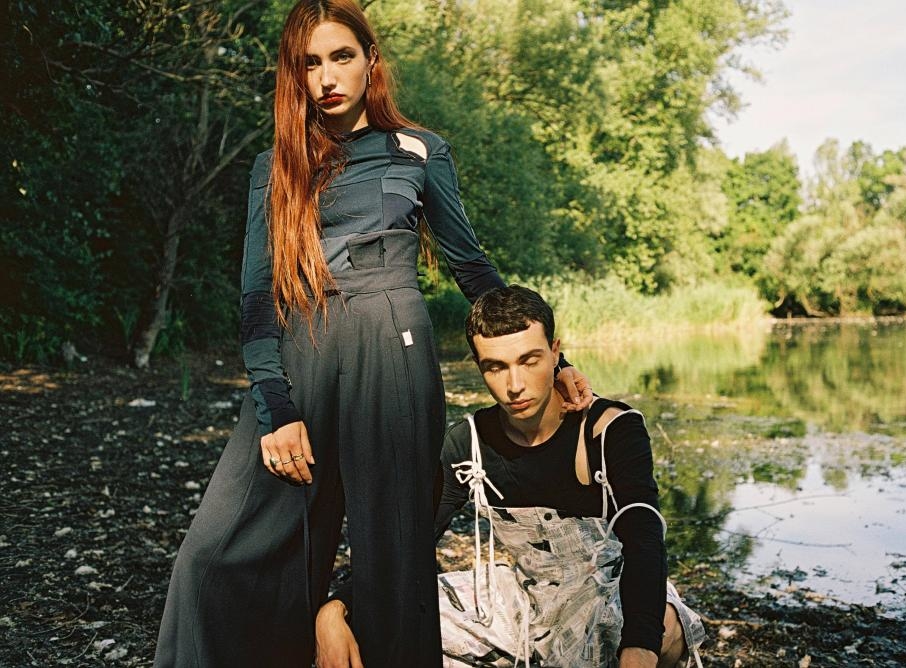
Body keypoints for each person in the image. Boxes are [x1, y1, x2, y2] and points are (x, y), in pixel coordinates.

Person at [152, 3, 591, 666]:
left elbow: (472, 269)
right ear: (295, 75)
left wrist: (553, 363)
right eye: (310, 63)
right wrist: (276, 411)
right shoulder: (275, 166)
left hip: (393, 356)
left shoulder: (419, 150)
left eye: (342, 56)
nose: (327, 77)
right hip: (301, 356)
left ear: (370, 60)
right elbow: (256, 300)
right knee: (213, 555)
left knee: (393, 558)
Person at [316, 286, 706, 668]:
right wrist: (336, 608)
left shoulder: (609, 428)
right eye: (496, 367)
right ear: (479, 366)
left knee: (665, 627)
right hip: (524, 599)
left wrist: (639, 648)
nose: (514, 385)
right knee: (385, 621)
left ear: (556, 353)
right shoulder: (469, 443)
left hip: (610, 594)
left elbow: (643, 534)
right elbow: (411, 542)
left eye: (529, 360)